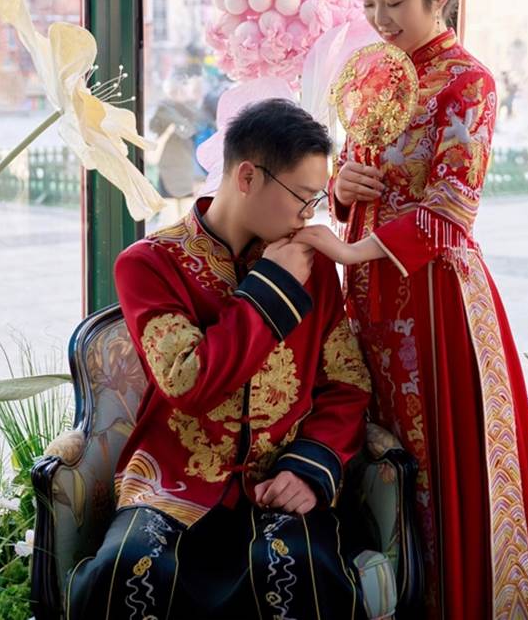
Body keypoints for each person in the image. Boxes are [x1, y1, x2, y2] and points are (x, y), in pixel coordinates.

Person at [296, 0, 528, 620]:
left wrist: (349, 245)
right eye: (368, 3)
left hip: (434, 299)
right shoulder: (373, 76)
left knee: (435, 461)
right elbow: (350, 176)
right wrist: (342, 185)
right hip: (368, 289)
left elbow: (450, 207)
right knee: (374, 449)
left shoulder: (468, 82)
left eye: (394, 3)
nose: (379, 19)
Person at [66, 99, 372, 620]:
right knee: (129, 571)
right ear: (248, 177)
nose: (309, 214)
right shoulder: (150, 264)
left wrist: (308, 467)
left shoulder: (314, 267)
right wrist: (274, 285)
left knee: (301, 569)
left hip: (279, 480)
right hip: (169, 482)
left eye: (317, 199)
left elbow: (347, 384)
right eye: (302, 197)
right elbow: (188, 382)